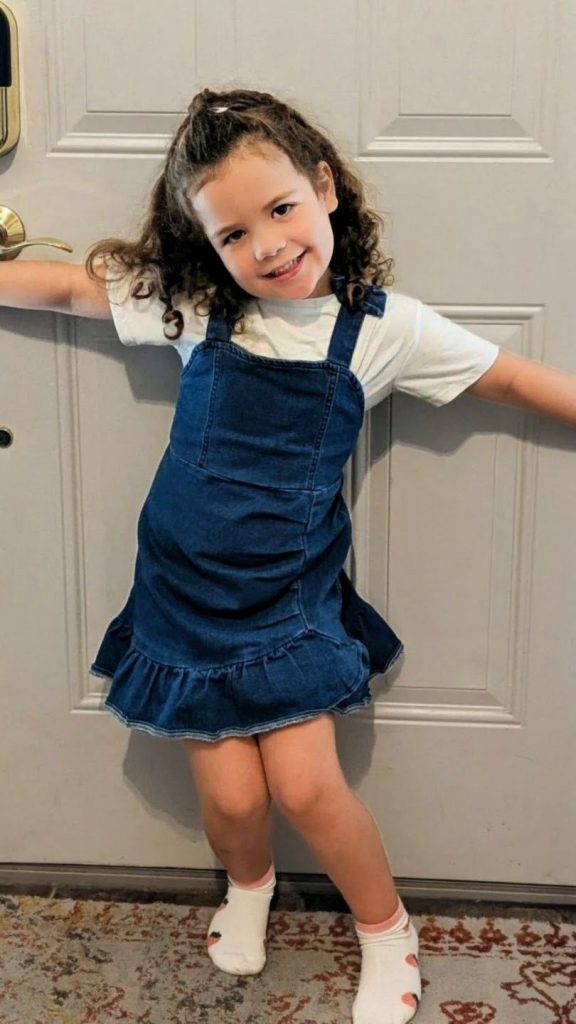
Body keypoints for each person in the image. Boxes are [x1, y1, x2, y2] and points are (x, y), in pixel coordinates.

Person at [3, 87, 576, 1024]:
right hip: (181, 596)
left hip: (284, 601)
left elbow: (507, 376)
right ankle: (250, 885)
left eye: (280, 210)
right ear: (206, 246)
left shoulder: (381, 330)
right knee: (232, 802)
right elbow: (70, 290)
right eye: (234, 233)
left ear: (325, 189)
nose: (267, 246)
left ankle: (386, 929)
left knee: (308, 788)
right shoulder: (197, 307)